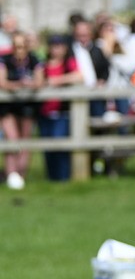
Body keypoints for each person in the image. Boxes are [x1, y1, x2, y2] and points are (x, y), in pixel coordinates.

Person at [0, 31, 44, 189]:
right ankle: (11, 174)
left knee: (25, 139)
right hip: (7, 106)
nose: (19, 50)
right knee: (12, 138)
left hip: (27, 105)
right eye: (16, 46)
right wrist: (20, 84)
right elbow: (2, 82)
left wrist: (28, 85)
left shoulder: (34, 60)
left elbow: (39, 81)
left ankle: (21, 175)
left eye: (22, 46)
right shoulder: (4, 60)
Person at [38, 35, 83, 181]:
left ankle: (63, 177)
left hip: (62, 112)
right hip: (44, 112)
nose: (56, 49)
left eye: (59, 46)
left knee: (60, 144)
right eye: (53, 46)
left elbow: (79, 76)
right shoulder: (42, 65)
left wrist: (56, 81)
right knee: (48, 148)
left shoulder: (68, 63)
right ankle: (51, 178)